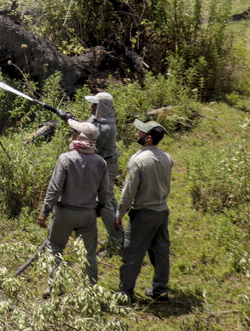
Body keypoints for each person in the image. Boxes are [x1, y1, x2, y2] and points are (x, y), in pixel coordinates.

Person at [38, 119, 112, 296]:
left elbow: (55, 189)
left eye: (75, 132)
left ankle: (56, 287)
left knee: (55, 247)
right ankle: (90, 290)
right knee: (88, 254)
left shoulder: (65, 159)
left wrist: (44, 211)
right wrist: (100, 207)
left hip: (64, 212)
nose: (72, 134)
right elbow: (105, 192)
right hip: (87, 214)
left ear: (79, 137)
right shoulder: (100, 162)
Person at [116, 120, 174, 304]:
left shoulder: (138, 160)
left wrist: (119, 213)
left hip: (142, 214)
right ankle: (160, 290)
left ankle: (125, 293)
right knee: (161, 253)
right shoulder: (167, 158)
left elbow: (128, 191)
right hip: (161, 212)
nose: (138, 134)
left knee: (132, 253)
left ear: (148, 138)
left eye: (141, 132)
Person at [85, 91, 124, 247]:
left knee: (105, 202)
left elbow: (88, 134)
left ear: (103, 107)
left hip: (107, 166)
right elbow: (87, 125)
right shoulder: (99, 121)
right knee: (110, 198)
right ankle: (120, 235)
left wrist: (74, 125)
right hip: (105, 164)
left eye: (96, 104)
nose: (93, 106)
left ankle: (116, 240)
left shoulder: (106, 127)